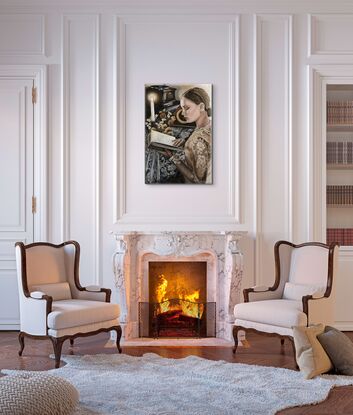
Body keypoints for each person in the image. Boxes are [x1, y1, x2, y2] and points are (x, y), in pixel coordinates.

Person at [167, 87, 212, 184]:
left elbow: (198, 180)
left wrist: (172, 157)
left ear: (201, 107)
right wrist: (185, 142)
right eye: (182, 108)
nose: (183, 113)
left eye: (186, 108)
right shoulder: (208, 125)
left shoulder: (199, 140)